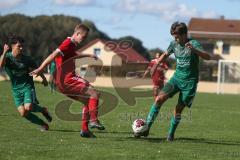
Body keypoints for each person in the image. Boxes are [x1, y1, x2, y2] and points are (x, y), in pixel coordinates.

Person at [138, 22, 211, 141]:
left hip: (189, 82)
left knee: (178, 109)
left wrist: (194, 50)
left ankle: (170, 134)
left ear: (184, 35)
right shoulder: (174, 44)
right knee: (158, 99)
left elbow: (207, 57)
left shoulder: (194, 43)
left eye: (177, 36)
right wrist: (155, 66)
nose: (175, 39)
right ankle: (146, 129)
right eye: (174, 37)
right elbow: (165, 54)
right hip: (176, 79)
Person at [30, 24, 105, 138]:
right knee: (94, 93)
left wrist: (88, 55)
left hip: (62, 83)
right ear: (77, 33)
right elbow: (54, 54)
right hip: (67, 79)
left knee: (87, 101)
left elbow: (75, 55)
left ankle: (85, 130)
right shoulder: (67, 43)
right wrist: (41, 68)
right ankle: (93, 120)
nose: (83, 39)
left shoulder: (72, 45)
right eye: (83, 37)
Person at [0, 36, 52, 131]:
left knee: (28, 107)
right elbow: (1, 65)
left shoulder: (27, 59)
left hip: (28, 87)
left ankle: (42, 112)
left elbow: (38, 70)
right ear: (12, 46)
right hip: (16, 89)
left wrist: (44, 79)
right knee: (23, 113)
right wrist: (4, 52)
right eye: (19, 46)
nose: (21, 48)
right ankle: (43, 121)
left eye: (22, 46)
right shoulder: (7, 57)